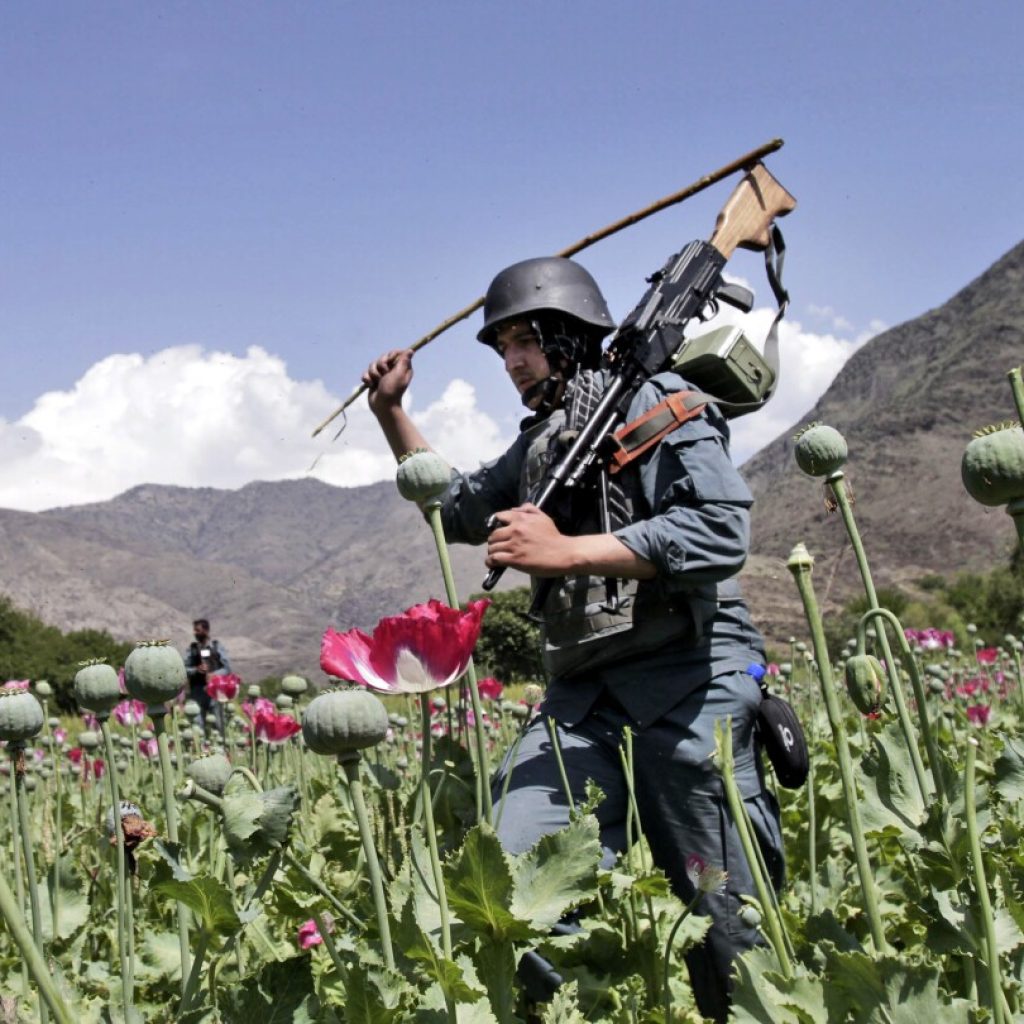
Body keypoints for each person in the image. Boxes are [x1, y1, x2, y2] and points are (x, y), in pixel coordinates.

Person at [362, 256, 784, 1021]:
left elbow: (721, 531)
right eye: (501, 349)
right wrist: (393, 415)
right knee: (512, 895)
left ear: (570, 334)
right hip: (582, 698)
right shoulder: (544, 447)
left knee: (728, 926)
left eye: (525, 340)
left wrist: (564, 551)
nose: (513, 362)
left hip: (691, 680)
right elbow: (458, 508)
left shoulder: (665, 402)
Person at [184, 618, 231, 734]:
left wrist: (214, 675)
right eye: (194, 630)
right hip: (197, 691)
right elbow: (184, 669)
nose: (195, 633)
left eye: (198, 630)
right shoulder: (192, 649)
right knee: (197, 724)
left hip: (215, 692)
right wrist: (196, 670)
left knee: (218, 723)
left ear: (206, 630)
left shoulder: (217, 647)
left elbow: (227, 668)